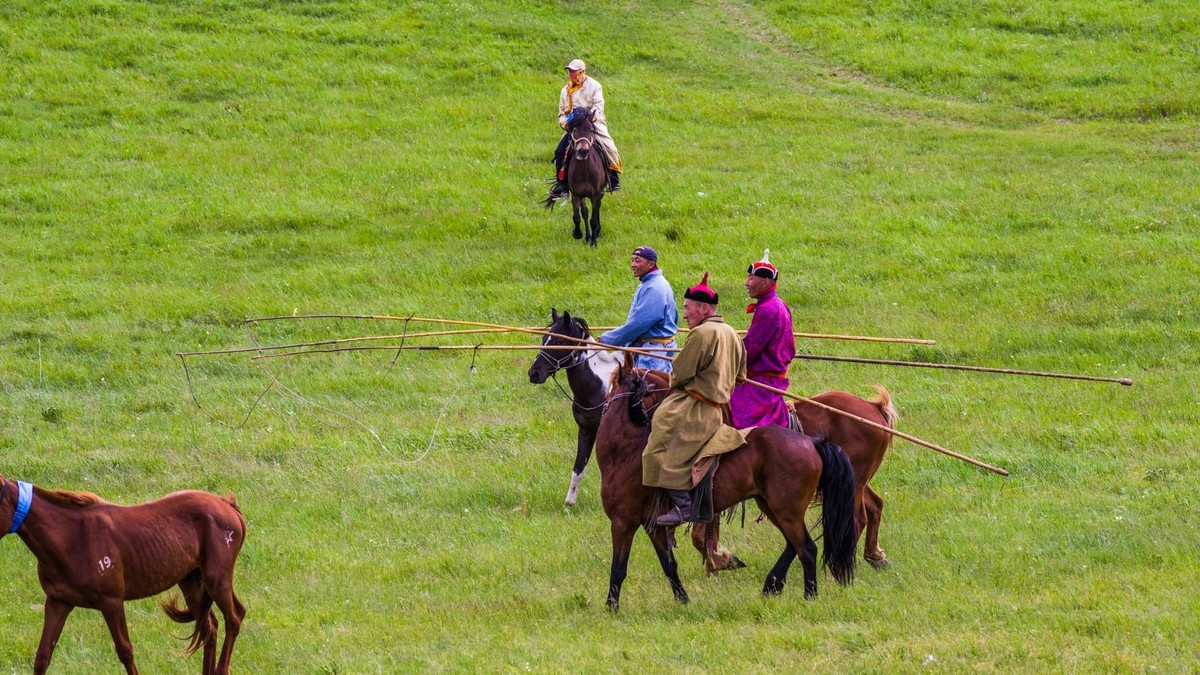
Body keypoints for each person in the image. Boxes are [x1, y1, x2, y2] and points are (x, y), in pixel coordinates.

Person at [641, 273, 748, 526]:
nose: (685, 314)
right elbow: (741, 376)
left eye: (688, 308)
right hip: (717, 409)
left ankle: (684, 505)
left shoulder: (701, 334)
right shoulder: (732, 334)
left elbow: (679, 374)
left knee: (657, 448)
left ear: (704, 309)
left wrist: (679, 380)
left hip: (693, 409)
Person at [730, 249, 797, 429]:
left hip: (763, 382)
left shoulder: (769, 309)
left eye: (751, 278)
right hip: (764, 375)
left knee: (731, 412)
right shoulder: (778, 304)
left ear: (766, 282)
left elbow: (749, 350)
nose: (746, 283)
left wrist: (724, 357)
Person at [549, 59, 622, 198]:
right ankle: (562, 184)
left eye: (573, 71)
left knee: (609, 146)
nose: (570, 74)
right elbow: (562, 112)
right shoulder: (565, 91)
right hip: (574, 126)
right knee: (560, 151)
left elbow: (598, 106)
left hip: (592, 122)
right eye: (569, 71)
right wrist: (565, 124)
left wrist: (588, 118)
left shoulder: (594, 86)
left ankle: (613, 177)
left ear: (581, 72)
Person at [598, 246, 677, 373]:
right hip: (649, 350)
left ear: (651, 264)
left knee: (648, 386)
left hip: (652, 354)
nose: (633, 264)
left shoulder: (655, 287)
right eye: (632, 260)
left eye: (637, 261)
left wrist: (608, 339)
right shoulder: (650, 283)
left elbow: (637, 324)